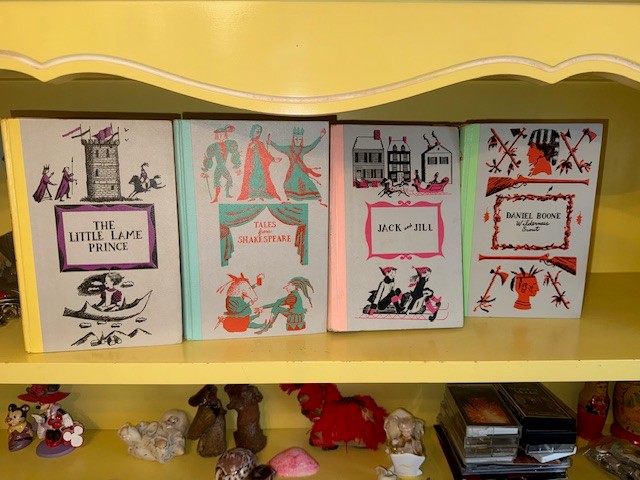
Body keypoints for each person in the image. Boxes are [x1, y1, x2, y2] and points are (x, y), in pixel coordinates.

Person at [267, 127, 326, 205]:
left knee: (308, 183)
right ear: (293, 139)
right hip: (292, 170)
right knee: (288, 184)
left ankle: (319, 199)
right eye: (296, 139)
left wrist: (320, 137)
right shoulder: (288, 149)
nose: (298, 141)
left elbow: (311, 146)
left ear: (302, 140)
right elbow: (279, 147)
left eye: (300, 139)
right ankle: (288, 200)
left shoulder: (303, 149)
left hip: (301, 170)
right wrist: (271, 142)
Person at [237, 124, 281, 201]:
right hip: (252, 165)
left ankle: (261, 194)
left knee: (261, 178)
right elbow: (247, 155)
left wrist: (273, 159)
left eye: (259, 132)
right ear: (252, 132)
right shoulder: (249, 143)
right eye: (256, 131)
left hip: (260, 165)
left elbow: (265, 154)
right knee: (253, 179)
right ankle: (253, 195)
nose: (258, 133)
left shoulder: (261, 144)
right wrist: (251, 147)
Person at [202, 125, 242, 203]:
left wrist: (237, 164)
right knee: (218, 181)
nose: (221, 136)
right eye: (219, 135)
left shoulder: (229, 144)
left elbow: (234, 153)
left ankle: (225, 194)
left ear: (225, 135)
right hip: (219, 166)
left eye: (223, 134)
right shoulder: (213, 146)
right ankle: (217, 198)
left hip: (223, 166)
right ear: (216, 136)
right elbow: (209, 158)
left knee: (228, 180)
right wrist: (206, 169)